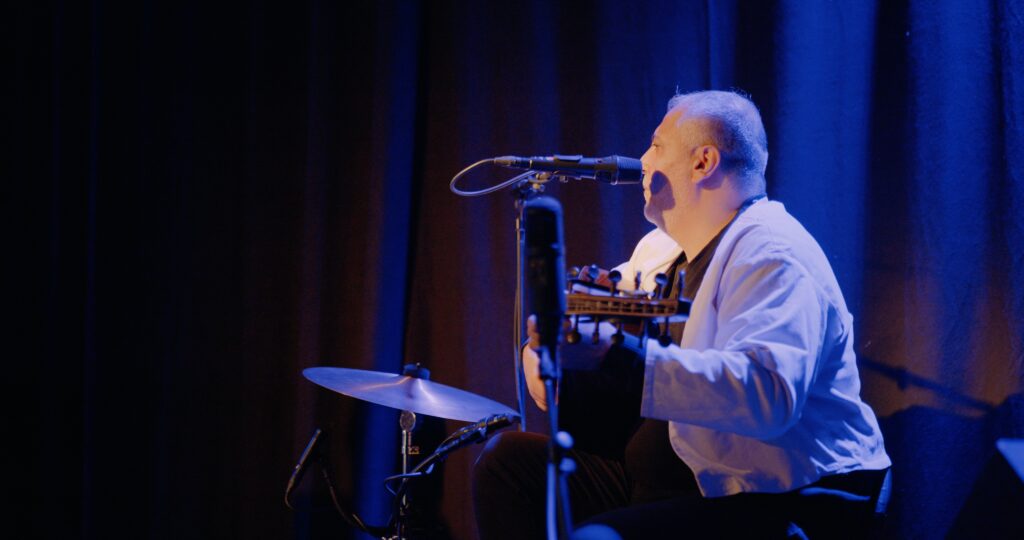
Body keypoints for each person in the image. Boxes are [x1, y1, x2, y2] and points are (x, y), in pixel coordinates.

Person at [472, 90, 891, 539]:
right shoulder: (660, 251)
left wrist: (615, 354)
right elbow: (571, 339)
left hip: (781, 493)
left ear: (702, 162)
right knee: (507, 465)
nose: (642, 160)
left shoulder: (774, 254)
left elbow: (768, 394)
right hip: (679, 476)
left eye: (656, 145)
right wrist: (550, 354)